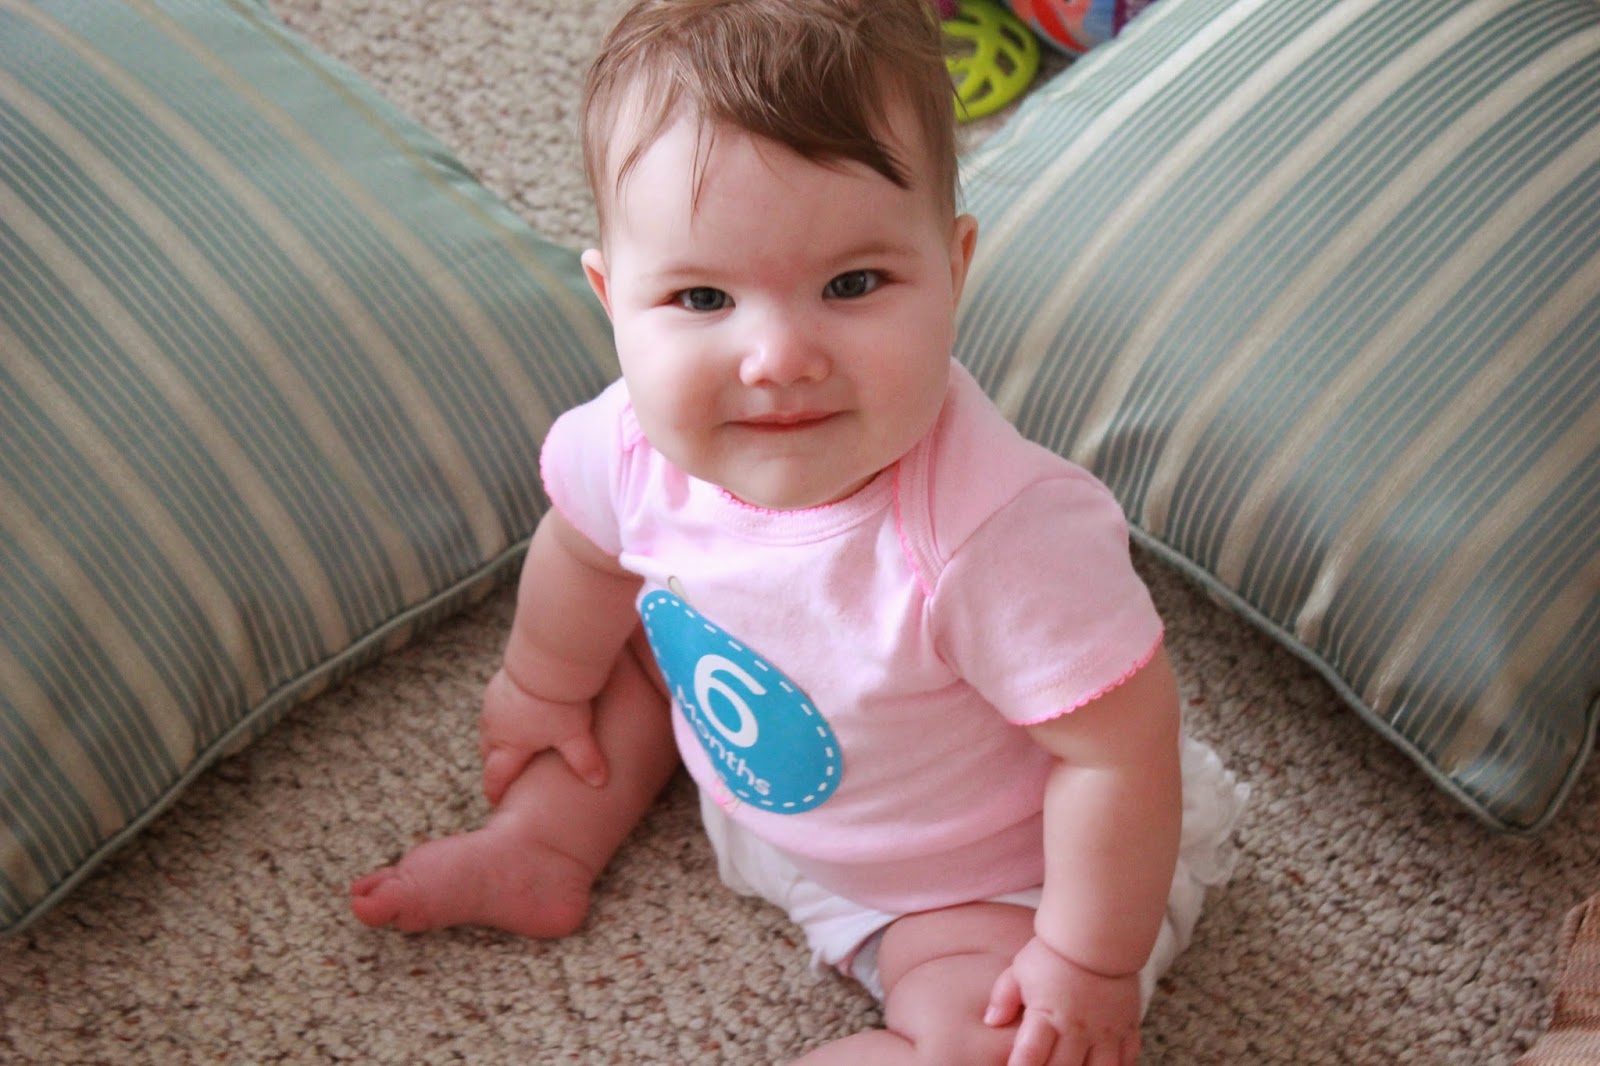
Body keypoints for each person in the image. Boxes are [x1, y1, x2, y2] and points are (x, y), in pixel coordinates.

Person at [350, 1, 1247, 1062]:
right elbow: (584, 552)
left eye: (852, 285)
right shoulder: (631, 441)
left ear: (952, 270)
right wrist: (541, 684)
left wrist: (1087, 959)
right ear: (611, 298)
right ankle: (541, 844)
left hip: (971, 876)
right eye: (700, 296)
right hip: (741, 760)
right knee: (621, 667)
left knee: (997, 1036)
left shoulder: (998, 533)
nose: (777, 356)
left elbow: (1117, 752)